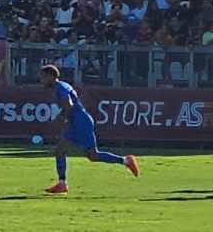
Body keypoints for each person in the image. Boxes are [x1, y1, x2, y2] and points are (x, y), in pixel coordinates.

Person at [40, 65, 139, 194]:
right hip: (74, 123)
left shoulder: (60, 88)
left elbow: (68, 104)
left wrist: (62, 116)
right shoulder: (62, 86)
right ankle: (62, 183)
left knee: (93, 155)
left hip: (81, 122)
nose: (41, 81)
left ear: (51, 77)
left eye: (43, 77)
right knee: (60, 151)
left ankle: (126, 160)